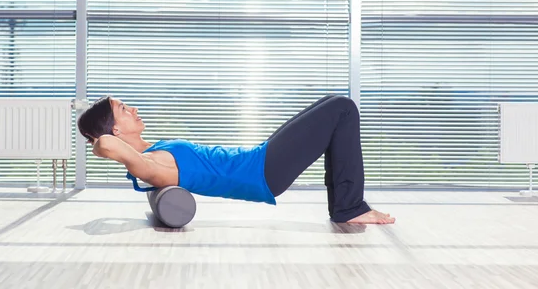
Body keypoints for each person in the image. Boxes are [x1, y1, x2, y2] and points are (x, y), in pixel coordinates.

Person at [78, 94, 395, 224]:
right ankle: (349, 208)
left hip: (257, 157)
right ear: (116, 128)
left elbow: (107, 141)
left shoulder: (151, 152)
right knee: (342, 107)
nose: (133, 108)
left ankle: (347, 205)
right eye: (123, 109)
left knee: (331, 103)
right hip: (261, 173)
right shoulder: (149, 165)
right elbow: (104, 145)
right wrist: (94, 136)